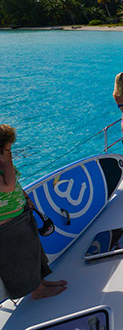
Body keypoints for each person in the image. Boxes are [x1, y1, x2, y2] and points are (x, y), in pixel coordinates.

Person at [0, 125, 68, 300]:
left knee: (34, 252)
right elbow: (7, 186)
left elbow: (15, 184)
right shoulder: (5, 162)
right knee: (21, 258)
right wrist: (8, 159)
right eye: (8, 148)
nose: (10, 151)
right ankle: (36, 291)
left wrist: (26, 198)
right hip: (7, 224)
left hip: (20, 213)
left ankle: (41, 282)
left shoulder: (3, 161)